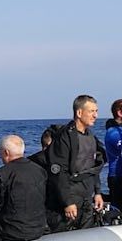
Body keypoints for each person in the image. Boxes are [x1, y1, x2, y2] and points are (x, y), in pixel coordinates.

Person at [45, 95, 106, 232]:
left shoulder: (91, 136)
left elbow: (94, 167)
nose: (95, 115)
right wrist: (67, 202)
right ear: (79, 113)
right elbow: (58, 171)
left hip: (86, 198)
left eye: (96, 111)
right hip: (69, 199)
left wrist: (97, 192)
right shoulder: (65, 136)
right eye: (91, 111)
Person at [0, 135, 48, 241]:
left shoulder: (2, 174)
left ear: (6, 152)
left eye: (0, 152)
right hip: (38, 228)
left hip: (13, 230)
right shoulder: (39, 171)